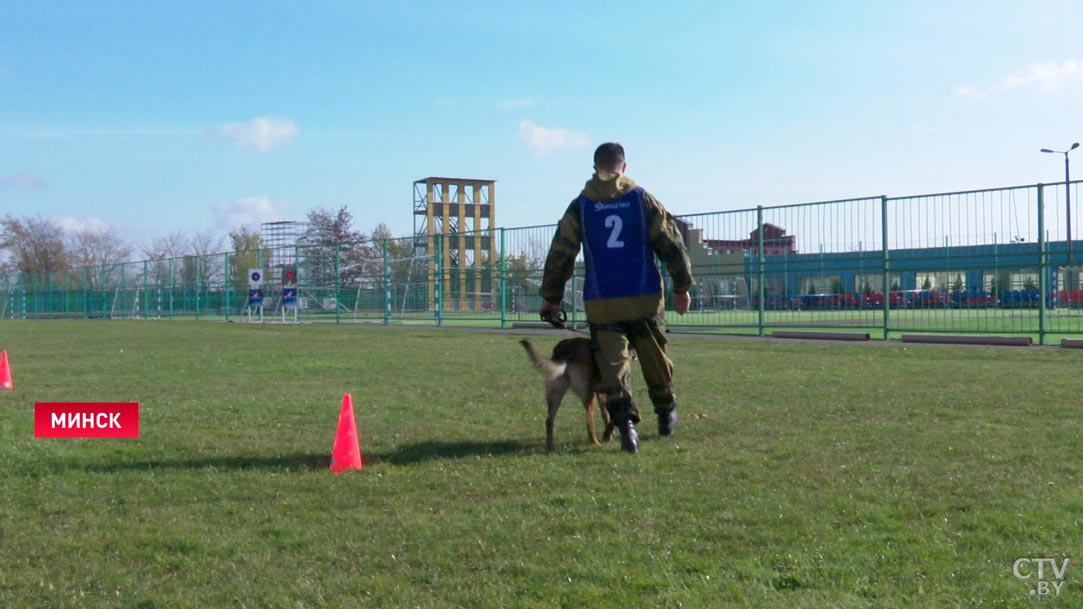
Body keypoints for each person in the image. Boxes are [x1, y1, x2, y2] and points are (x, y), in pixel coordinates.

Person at [539, 142, 695, 453]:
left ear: (595, 168)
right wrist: (682, 286)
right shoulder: (641, 199)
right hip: (645, 298)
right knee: (655, 361)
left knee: (614, 369)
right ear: (624, 167)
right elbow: (670, 242)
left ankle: (626, 428)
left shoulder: (580, 206)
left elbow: (562, 252)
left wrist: (552, 297)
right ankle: (666, 414)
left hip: (602, 303)